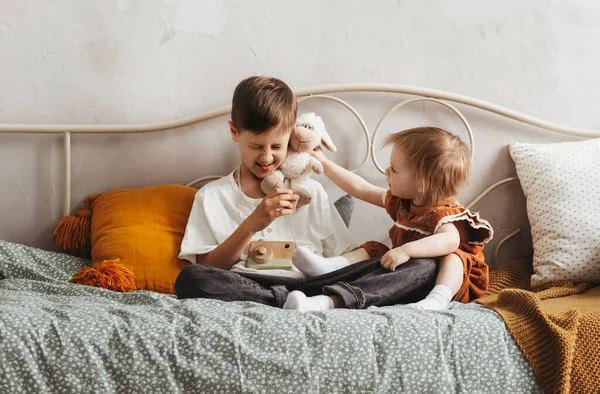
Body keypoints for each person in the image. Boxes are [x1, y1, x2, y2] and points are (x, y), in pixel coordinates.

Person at [174, 76, 438, 311]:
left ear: (291, 134)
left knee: (423, 267)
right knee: (193, 279)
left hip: (320, 283)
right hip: (253, 284)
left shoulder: (311, 190)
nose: (267, 157)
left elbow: (343, 257)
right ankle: (285, 302)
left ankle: (326, 300)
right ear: (234, 132)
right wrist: (251, 225)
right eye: (256, 146)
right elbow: (208, 267)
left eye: (277, 145)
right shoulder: (212, 196)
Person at [292, 126, 493, 310]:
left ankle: (437, 301)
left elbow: (450, 241)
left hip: (447, 281)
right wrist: (325, 163)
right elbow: (360, 188)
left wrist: (407, 250)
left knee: (454, 256)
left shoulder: (444, 212)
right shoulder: (402, 201)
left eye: (394, 169)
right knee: (376, 249)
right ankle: (329, 267)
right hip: (406, 278)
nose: (387, 171)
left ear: (422, 183)